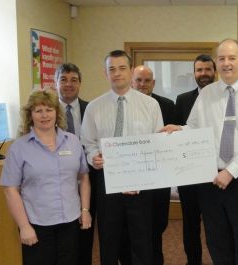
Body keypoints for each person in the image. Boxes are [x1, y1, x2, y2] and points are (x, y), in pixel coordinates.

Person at [162, 38, 238, 265]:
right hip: (209, 179)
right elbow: (194, 127)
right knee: (216, 240)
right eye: (221, 58)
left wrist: (230, 171)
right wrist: (178, 129)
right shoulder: (207, 94)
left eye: (232, 58)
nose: (226, 63)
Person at [81, 50, 163, 265]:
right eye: (111, 69)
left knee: (142, 241)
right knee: (108, 242)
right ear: (105, 73)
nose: (117, 73)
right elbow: (88, 143)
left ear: (130, 70)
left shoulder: (150, 105)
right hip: (108, 183)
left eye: (122, 68)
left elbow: (158, 145)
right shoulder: (94, 107)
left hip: (141, 186)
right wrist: (93, 157)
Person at [0, 90, 91, 265]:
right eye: (38, 110)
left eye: (49, 109)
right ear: (30, 115)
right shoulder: (19, 148)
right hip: (37, 225)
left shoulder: (72, 141)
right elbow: (10, 190)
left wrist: (85, 211)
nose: (44, 115)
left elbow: (84, 177)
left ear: (57, 112)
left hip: (70, 222)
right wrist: (24, 226)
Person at [131, 65, 175, 265]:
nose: (142, 84)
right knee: (134, 226)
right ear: (132, 81)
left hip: (160, 177)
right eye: (138, 80)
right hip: (133, 176)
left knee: (158, 223)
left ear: (153, 83)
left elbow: (175, 138)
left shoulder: (167, 105)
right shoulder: (125, 104)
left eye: (146, 80)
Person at [175, 54, 216, 265]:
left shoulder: (223, 97)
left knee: (214, 224)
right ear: (194, 74)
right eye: (199, 70)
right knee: (190, 224)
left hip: (215, 175)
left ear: (214, 72)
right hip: (189, 175)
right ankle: (194, 262)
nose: (204, 74)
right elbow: (177, 134)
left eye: (208, 69)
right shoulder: (182, 100)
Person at [54, 63, 95, 265]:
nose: (69, 84)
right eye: (63, 79)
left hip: (88, 180)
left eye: (74, 80)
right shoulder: (46, 113)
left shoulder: (92, 109)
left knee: (86, 233)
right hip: (59, 184)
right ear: (56, 83)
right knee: (62, 240)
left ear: (80, 84)